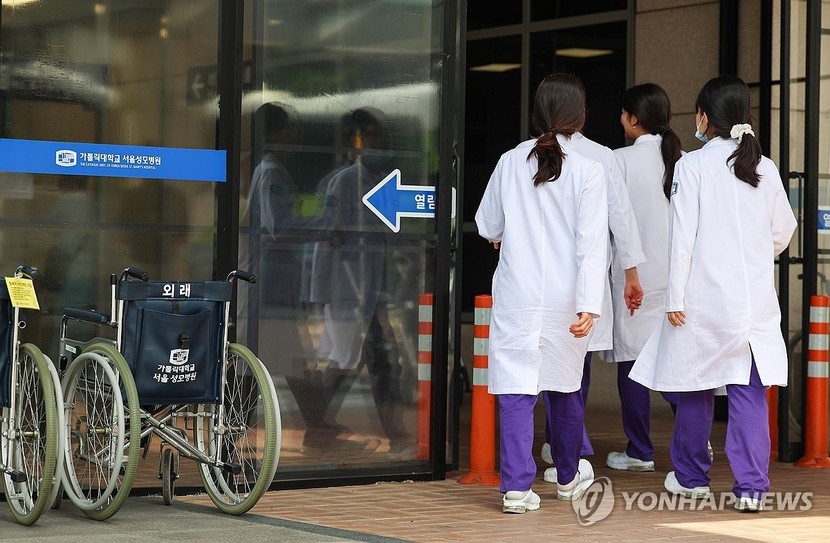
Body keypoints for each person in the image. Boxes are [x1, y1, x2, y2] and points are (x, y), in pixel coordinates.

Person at [629, 76, 797, 512]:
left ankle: (692, 479)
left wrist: (674, 298)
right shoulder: (765, 167)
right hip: (753, 303)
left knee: (694, 387)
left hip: (703, 300)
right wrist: (754, 255)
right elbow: (784, 230)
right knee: (748, 393)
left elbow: (682, 238)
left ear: (705, 117)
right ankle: (752, 489)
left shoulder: (693, 166)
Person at [476, 72, 608, 513]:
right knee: (565, 386)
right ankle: (568, 478)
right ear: (580, 116)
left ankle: (516, 487)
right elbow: (593, 243)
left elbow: (488, 224)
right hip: (566, 300)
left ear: (537, 113)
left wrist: (504, 235)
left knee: (516, 387)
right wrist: (589, 304)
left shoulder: (510, 161)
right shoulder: (589, 169)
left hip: (518, 294)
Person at [539, 83, 646, 483]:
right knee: (575, 368)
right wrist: (631, 275)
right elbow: (621, 219)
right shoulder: (602, 156)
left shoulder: (524, 155)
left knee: (546, 369)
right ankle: (570, 448)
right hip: (585, 280)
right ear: (582, 113)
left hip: (538, 281)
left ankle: (568, 447)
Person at [239, 102, 347, 454]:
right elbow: (279, 227)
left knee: (282, 356)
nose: (296, 135)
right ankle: (238, 429)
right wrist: (327, 226)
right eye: (289, 129)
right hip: (266, 284)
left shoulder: (272, 171)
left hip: (275, 283)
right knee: (266, 359)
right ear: (274, 135)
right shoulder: (270, 172)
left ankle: (315, 423)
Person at [310, 107, 412, 456]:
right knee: (348, 361)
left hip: (373, 290)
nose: (380, 141)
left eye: (384, 135)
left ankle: (394, 432)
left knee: (382, 361)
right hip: (347, 290)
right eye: (372, 135)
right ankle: (316, 423)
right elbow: (327, 238)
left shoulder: (384, 183)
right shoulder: (344, 182)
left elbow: (389, 236)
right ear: (357, 141)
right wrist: (319, 292)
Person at [604, 83, 682, 472]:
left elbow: (610, 221)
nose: (621, 120)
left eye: (623, 114)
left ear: (633, 119)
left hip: (633, 277)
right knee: (676, 363)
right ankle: (694, 437)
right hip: (677, 278)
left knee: (633, 363)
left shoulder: (617, 160)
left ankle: (640, 450)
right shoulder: (684, 161)